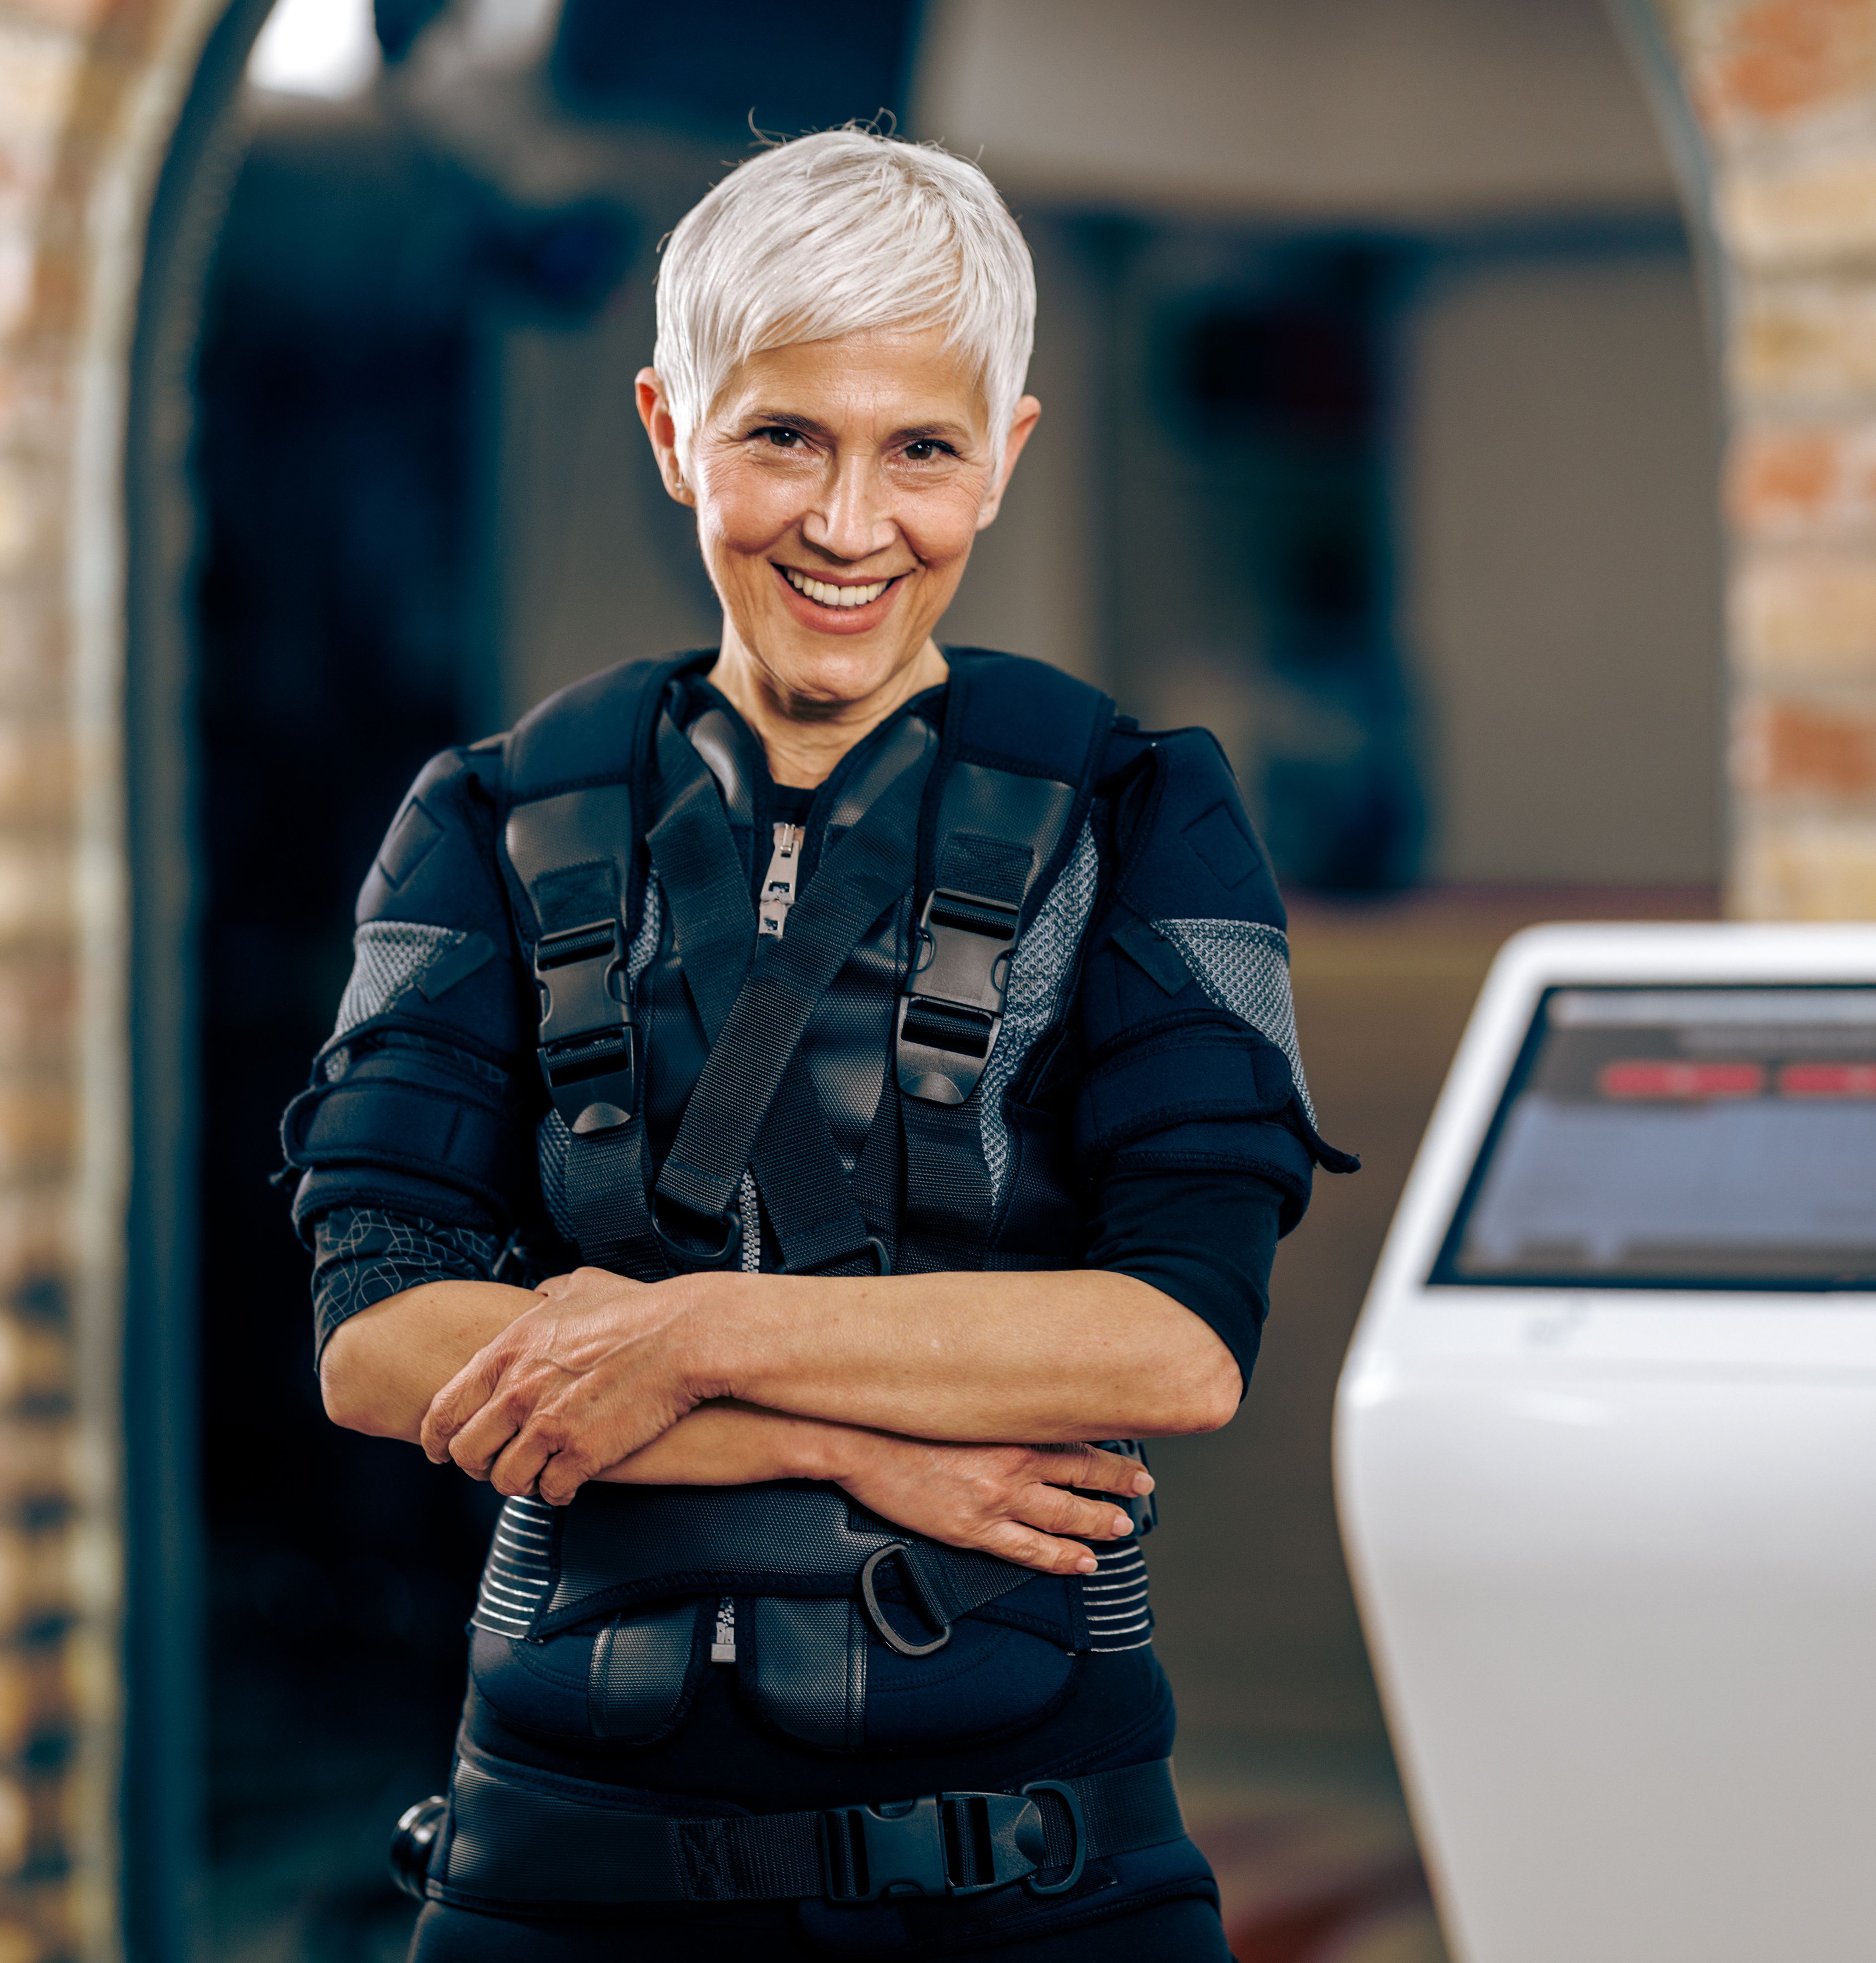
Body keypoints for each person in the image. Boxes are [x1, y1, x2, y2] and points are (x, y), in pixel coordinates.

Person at [283, 128, 1353, 1961]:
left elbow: (1172, 1342)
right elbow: (380, 1328)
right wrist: (866, 1464)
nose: (850, 526)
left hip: (1033, 1864)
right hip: (558, 1860)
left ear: (1002, 458)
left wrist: (695, 1333)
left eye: (918, 449)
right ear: (670, 427)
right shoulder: (483, 816)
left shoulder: (1145, 812)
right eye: (784, 436)